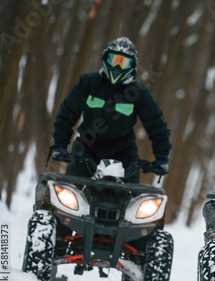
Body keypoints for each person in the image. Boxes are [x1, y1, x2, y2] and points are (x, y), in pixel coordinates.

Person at [51, 37, 171, 183]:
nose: (118, 67)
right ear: (105, 59)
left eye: (124, 62)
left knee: (134, 201)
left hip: (124, 153)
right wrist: (60, 145)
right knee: (69, 193)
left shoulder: (139, 92)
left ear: (132, 65)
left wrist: (162, 157)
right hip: (86, 149)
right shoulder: (88, 82)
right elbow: (67, 114)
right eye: (114, 60)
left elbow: (156, 125)